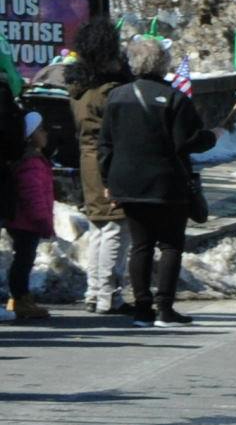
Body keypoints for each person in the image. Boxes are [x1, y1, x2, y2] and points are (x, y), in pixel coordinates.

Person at [99, 38, 214, 326]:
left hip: (127, 181)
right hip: (167, 181)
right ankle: (165, 308)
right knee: (171, 244)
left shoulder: (116, 96)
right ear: (163, 64)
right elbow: (187, 141)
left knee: (141, 245)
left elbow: (105, 143)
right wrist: (212, 137)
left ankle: (142, 308)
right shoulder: (175, 98)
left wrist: (107, 179)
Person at [65, 17, 134, 315]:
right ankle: (108, 294)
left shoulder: (80, 88)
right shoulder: (108, 91)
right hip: (109, 161)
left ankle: (94, 291)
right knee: (116, 227)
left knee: (98, 226)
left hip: (88, 160)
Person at [3, 56, 56, 322]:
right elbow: (33, 194)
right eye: (42, 130)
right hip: (27, 222)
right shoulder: (32, 163)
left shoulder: (34, 160)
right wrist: (42, 221)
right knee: (23, 260)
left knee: (23, 259)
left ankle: (20, 297)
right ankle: (21, 298)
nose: (46, 134)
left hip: (25, 221)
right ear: (32, 136)